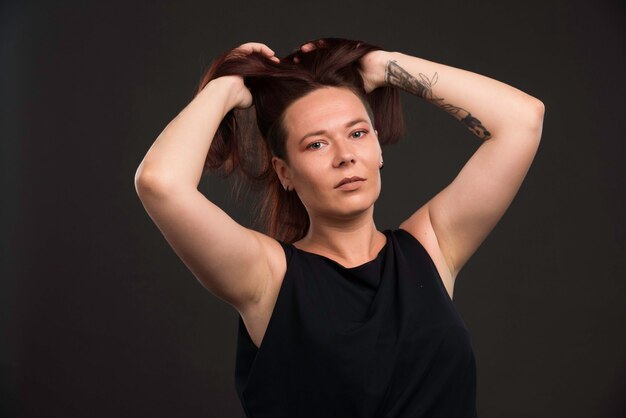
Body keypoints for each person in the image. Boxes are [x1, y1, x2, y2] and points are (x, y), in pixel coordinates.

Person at [134, 38, 544, 417]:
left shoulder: (431, 246)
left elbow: (523, 119)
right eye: (316, 143)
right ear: (284, 172)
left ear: (378, 148)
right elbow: (160, 183)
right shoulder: (267, 278)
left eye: (358, 133)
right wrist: (226, 87)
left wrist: (382, 66)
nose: (345, 156)